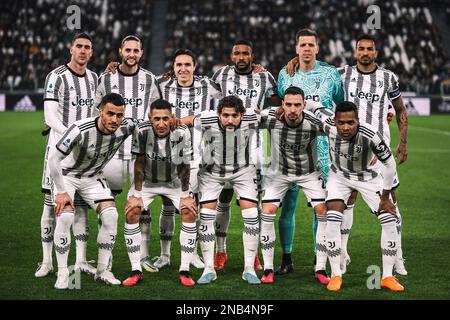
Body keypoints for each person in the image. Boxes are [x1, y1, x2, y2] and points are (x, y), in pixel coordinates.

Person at [311, 101, 404, 292]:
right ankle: (336, 274)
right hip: (339, 176)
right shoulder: (327, 124)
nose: (346, 127)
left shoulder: (371, 135)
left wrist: (385, 197)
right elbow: (314, 106)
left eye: (351, 123)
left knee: (389, 220)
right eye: (341, 123)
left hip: (368, 177)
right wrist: (299, 105)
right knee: (333, 218)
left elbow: (390, 164)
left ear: (358, 121)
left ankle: (387, 276)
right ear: (334, 121)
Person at [48, 93, 138, 289]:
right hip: (67, 176)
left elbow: (149, 124)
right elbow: (53, 160)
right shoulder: (79, 129)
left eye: (119, 115)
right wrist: (62, 192)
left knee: (111, 216)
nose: (115, 120)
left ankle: (102, 270)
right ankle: (63, 273)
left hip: (93, 177)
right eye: (110, 114)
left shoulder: (126, 126)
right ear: (100, 112)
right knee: (64, 218)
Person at [337, 34, 408, 275]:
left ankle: (398, 256)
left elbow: (400, 110)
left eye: (369, 49)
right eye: (361, 49)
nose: (365, 52)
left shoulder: (388, 77)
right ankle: (343, 254)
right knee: (347, 201)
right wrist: (294, 62)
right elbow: (315, 71)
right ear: (355, 52)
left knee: (390, 203)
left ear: (376, 52)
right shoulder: (342, 74)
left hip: (380, 150)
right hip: (350, 147)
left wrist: (403, 143)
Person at [277, 28, 344, 276]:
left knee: (322, 206)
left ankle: (320, 259)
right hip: (292, 150)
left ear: (317, 48)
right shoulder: (285, 74)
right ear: (296, 49)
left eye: (311, 45)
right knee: (289, 206)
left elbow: (341, 107)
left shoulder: (331, 75)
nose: (306, 49)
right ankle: (287, 258)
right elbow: (278, 107)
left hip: (325, 153)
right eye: (302, 45)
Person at [151, 49, 222, 271]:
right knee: (167, 205)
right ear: (173, 68)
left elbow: (224, 108)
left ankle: (191, 254)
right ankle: (164, 255)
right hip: (169, 154)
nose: (183, 69)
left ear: (195, 66)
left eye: (187, 65)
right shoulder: (161, 85)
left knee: (194, 206)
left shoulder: (208, 86)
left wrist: (193, 120)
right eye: (179, 65)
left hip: (199, 155)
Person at [210, 40, 279, 271]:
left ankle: (255, 253)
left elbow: (277, 101)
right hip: (224, 145)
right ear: (231, 55)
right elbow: (206, 94)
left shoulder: (265, 77)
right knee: (223, 198)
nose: (241, 57)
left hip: (255, 147)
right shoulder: (220, 74)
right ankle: (221, 250)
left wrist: (263, 112)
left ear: (252, 56)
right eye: (237, 53)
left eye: (245, 54)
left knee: (254, 203)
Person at [95, 35, 161, 272]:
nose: (132, 54)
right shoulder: (107, 77)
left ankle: (143, 255)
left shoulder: (150, 79)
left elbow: (157, 111)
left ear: (141, 53)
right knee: (107, 204)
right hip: (110, 152)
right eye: (128, 50)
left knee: (142, 204)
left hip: (140, 152)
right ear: (120, 51)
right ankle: (107, 256)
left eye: (136, 50)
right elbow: (97, 111)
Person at [36, 32, 98, 278]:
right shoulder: (56, 77)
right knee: (51, 207)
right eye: (79, 46)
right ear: (71, 49)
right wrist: (74, 135)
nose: (83, 51)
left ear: (91, 52)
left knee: (80, 207)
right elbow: (50, 117)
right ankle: (46, 261)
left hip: (84, 155)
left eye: (87, 47)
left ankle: (81, 260)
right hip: (59, 152)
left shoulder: (94, 79)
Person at [182, 96, 261, 285]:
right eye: (225, 115)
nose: (230, 120)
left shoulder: (251, 117)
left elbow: (274, 115)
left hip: (242, 171)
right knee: (207, 215)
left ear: (242, 115)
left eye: (235, 116)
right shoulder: (207, 119)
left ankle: (249, 269)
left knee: (251, 214)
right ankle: (209, 269)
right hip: (212, 173)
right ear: (219, 114)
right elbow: (185, 120)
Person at [121, 99, 197, 287]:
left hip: (173, 182)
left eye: (165, 118)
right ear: (149, 118)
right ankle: (135, 270)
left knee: (188, 211)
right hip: (148, 182)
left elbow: (185, 166)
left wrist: (186, 194)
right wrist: (137, 194)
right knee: (132, 212)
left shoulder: (182, 132)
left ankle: (185, 271)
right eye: (156, 119)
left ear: (172, 118)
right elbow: (139, 162)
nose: (161, 124)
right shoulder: (142, 130)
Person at [258, 87, 329, 285]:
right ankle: (268, 268)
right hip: (279, 174)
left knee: (323, 211)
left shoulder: (314, 123)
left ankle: (321, 268)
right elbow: (245, 117)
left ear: (304, 105)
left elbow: (341, 128)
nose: (292, 109)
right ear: (282, 104)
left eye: (297, 105)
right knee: (268, 211)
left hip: (308, 174)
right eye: (288, 104)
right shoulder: (271, 117)